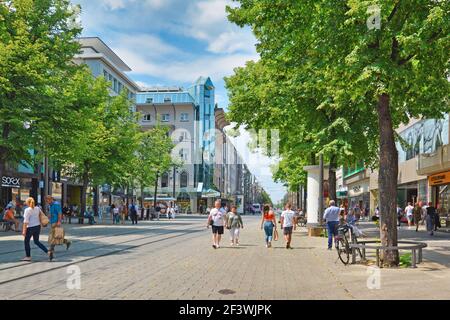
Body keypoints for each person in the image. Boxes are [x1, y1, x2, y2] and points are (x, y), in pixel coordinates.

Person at [22, 197, 50, 262]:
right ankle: (48, 252)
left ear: (27, 203)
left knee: (26, 241)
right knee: (36, 241)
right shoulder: (38, 208)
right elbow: (41, 216)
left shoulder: (27, 210)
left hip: (30, 228)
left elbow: (25, 221)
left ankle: (28, 256)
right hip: (37, 227)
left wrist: (24, 230)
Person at [46, 196, 71, 261]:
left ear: (51, 199)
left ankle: (51, 250)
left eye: (48, 201)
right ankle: (67, 242)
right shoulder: (50, 205)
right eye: (46, 201)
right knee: (57, 236)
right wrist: (47, 218)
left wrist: (59, 221)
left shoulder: (56, 204)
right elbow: (51, 213)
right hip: (52, 222)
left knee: (53, 236)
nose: (47, 202)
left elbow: (60, 213)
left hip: (56, 222)